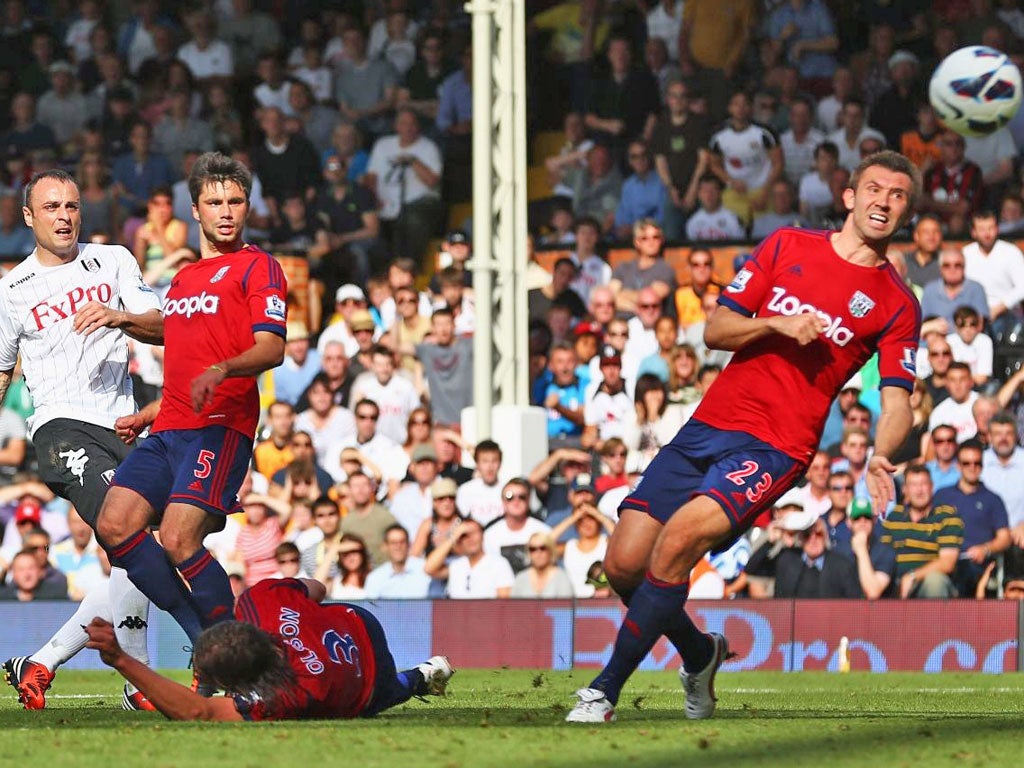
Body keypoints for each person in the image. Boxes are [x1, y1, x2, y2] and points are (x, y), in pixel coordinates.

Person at [566, 151, 922, 724]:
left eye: (898, 195)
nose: (884, 200)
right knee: (624, 565)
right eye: (874, 188)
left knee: (679, 541)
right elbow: (715, 330)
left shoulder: (898, 304)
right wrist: (775, 323)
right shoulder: (787, 244)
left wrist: (882, 454)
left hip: (778, 445)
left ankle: (603, 692)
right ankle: (701, 653)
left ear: (906, 213)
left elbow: (899, 398)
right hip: (708, 425)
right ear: (850, 197)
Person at [95, 152, 287, 649]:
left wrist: (223, 368)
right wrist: (149, 410)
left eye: (236, 201)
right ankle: (203, 636)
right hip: (169, 427)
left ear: (247, 208)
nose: (226, 211)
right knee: (114, 526)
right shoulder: (181, 281)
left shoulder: (259, 267)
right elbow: (184, 354)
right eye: (214, 201)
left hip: (221, 425)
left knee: (179, 539)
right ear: (195, 211)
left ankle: (232, 650)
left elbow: (272, 348)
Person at [0, 168, 163, 711]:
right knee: (132, 535)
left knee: (143, 553)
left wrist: (119, 317)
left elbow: (160, 322)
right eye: (51, 207)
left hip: (123, 422)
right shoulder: (13, 289)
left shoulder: (115, 259)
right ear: (29, 216)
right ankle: (140, 685)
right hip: (60, 427)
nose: (64, 215)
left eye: (71, 206)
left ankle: (41, 661)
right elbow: (2, 371)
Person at [84, 576, 454, 720]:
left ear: (244, 684)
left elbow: (199, 712)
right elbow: (317, 589)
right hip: (355, 620)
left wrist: (120, 659)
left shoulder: (283, 697)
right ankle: (418, 676)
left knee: (379, 697)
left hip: (367, 678)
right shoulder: (258, 599)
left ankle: (420, 677)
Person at [934, 439, 1010, 596]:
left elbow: (1004, 537)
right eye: (966, 463)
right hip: (942, 561)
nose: (972, 467)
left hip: (975, 564)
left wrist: (986, 549)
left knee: (967, 571)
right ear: (958, 465)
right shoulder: (942, 495)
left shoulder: (993, 499)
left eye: (977, 463)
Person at [880, 464, 962, 598]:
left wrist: (913, 576)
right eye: (913, 485)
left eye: (923, 484)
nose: (919, 490)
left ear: (932, 487)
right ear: (904, 490)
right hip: (895, 584)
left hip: (927, 584)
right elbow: (883, 555)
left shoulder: (946, 516)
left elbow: (948, 562)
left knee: (935, 581)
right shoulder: (894, 516)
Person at [510, 533, 575, 598]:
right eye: (533, 549)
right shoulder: (521, 578)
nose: (538, 553)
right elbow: (513, 606)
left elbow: (566, 607)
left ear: (551, 551)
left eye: (543, 548)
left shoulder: (562, 578)